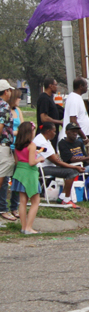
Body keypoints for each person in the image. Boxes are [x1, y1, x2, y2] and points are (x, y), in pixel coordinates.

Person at [32, 123, 83, 209]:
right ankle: (66, 200)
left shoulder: (45, 139)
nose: (55, 134)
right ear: (48, 131)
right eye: (54, 131)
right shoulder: (41, 142)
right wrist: (75, 167)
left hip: (48, 166)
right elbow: (57, 162)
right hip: (41, 168)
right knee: (71, 172)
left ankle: (62, 197)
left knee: (71, 170)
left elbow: (55, 156)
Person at [12, 122, 43, 234]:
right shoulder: (32, 145)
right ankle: (29, 228)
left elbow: (16, 161)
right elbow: (31, 162)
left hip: (20, 173)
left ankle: (23, 227)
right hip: (30, 174)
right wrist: (39, 158)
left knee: (22, 201)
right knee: (35, 201)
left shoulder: (17, 145)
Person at [0, 80, 18, 222]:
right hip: (3, 146)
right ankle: (3, 209)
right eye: (9, 90)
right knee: (3, 178)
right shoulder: (4, 106)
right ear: (6, 91)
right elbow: (1, 126)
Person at [59, 77, 89, 142]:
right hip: (76, 138)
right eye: (86, 85)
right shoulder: (74, 99)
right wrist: (84, 137)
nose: (87, 87)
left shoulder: (77, 97)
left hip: (79, 137)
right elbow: (73, 121)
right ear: (80, 86)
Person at [36, 78, 62, 142]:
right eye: (55, 85)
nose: (57, 87)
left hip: (52, 134)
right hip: (46, 134)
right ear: (50, 86)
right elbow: (44, 118)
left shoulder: (50, 97)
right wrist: (59, 122)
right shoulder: (44, 98)